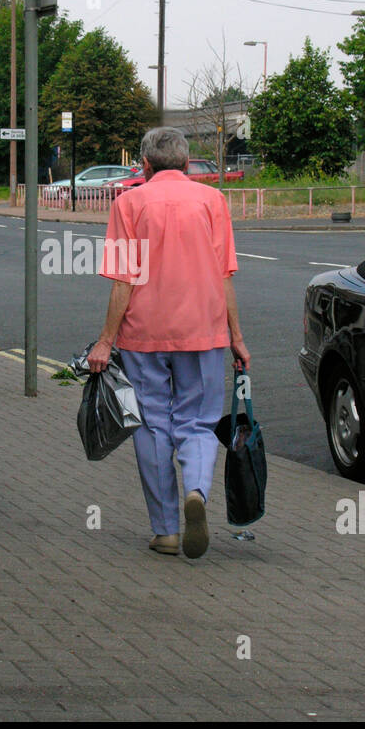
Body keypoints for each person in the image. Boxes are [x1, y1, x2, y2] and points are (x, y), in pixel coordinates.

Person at [87, 127, 249, 559]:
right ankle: (196, 489)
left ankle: (166, 531)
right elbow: (223, 275)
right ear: (187, 164)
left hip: (144, 333)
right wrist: (236, 337)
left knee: (154, 424)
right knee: (198, 422)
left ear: (143, 165)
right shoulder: (213, 201)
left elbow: (124, 279)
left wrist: (106, 341)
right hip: (205, 330)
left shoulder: (129, 203)